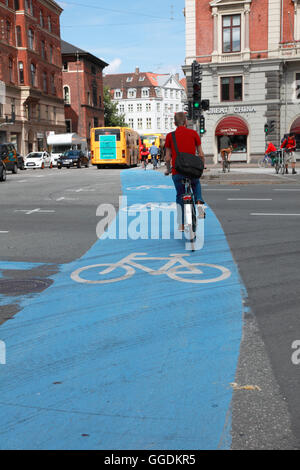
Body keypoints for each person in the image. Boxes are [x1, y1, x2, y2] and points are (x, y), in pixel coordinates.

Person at [165, 112, 206, 231]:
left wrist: (168, 169)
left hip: (177, 171)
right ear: (186, 122)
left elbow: (167, 158)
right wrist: (203, 165)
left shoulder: (169, 136)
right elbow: (201, 154)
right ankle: (199, 205)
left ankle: (181, 224)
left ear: (174, 123)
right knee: (196, 183)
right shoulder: (194, 134)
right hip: (192, 170)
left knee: (179, 196)